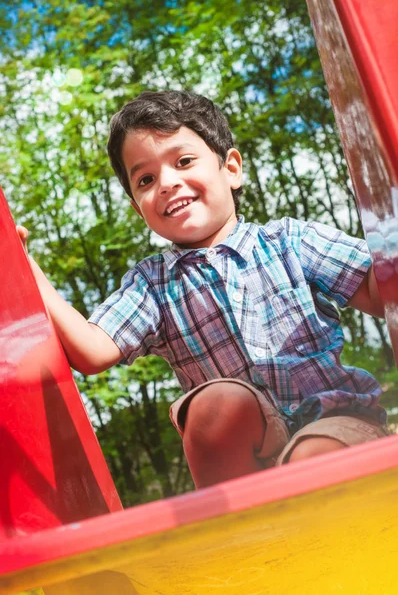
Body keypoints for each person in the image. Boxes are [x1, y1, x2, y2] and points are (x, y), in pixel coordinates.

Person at [18, 90, 389, 489]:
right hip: (244, 451)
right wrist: (24, 267)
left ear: (231, 169)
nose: (167, 183)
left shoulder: (291, 241)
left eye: (183, 161)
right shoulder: (153, 285)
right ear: (136, 207)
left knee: (312, 456)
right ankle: (244, 530)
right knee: (216, 405)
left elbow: (379, 291)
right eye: (145, 179)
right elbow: (91, 350)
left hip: (337, 424)